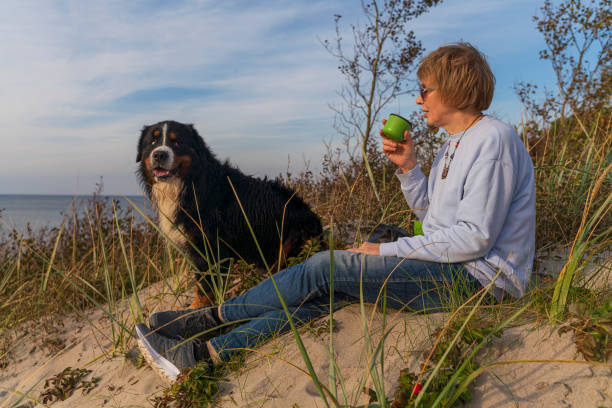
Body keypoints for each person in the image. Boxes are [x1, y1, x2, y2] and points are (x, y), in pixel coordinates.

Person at [135, 42, 536, 383]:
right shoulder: (455, 143)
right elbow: (435, 222)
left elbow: (475, 238)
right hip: (452, 268)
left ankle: (207, 319)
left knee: (322, 268)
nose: (419, 99)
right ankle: (202, 355)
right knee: (322, 295)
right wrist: (410, 169)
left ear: (454, 89)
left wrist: (387, 252)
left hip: (477, 281)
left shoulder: (493, 140)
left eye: (426, 90)